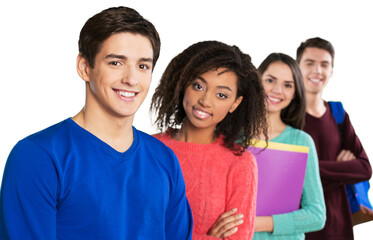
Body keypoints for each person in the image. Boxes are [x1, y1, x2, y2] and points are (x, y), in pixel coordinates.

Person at [0, 6, 193, 240]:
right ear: (84, 67)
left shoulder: (165, 160)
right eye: (116, 63)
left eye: (143, 66)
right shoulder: (38, 157)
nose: (131, 79)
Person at [151, 40, 267, 239]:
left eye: (221, 95)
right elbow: (131, 228)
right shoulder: (149, 149)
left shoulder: (240, 163)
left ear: (235, 103)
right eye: (198, 86)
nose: (205, 101)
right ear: (183, 84)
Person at [296, 37, 372, 239]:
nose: (317, 70)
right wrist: (342, 172)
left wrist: (309, 169)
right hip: (301, 227)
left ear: (332, 71)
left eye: (324, 64)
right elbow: (289, 177)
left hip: (341, 226)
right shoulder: (286, 117)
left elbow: (364, 168)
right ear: (297, 68)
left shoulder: (338, 113)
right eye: (310, 63)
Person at [252, 53, 326, 239]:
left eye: (287, 85)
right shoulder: (232, 137)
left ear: (294, 94)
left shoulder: (301, 142)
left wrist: (261, 222)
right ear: (257, 82)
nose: (277, 90)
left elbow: (317, 215)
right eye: (270, 80)